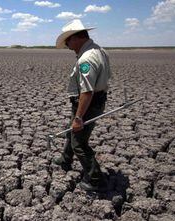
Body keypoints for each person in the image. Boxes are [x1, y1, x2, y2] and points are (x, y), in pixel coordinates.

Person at [53, 19, 111, 191]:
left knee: (79, 142)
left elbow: (87, 91)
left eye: (68, 41)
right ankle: (65, 160)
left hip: (88, 105)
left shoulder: (86, 59)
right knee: (71, 132)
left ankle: (96, 180)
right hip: (92, 102)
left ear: (78, 37)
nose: (68, 45)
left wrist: (78, 117)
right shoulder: (99, 50)